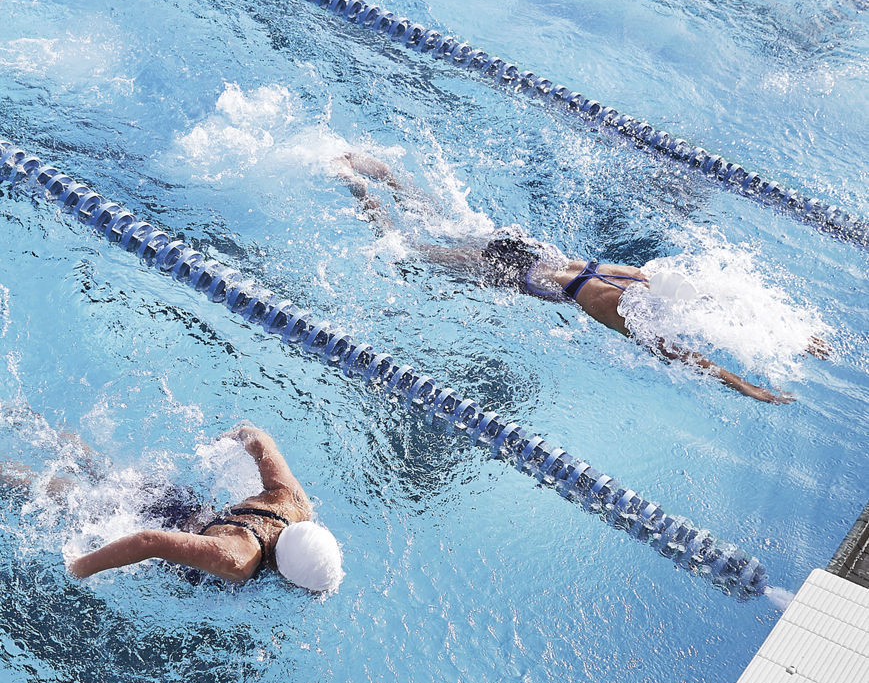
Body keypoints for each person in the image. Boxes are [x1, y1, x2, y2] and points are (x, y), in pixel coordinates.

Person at [334, 150, 831, 404]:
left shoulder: (641, 280)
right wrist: (745, 386)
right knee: (415, 249)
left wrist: (790, 337)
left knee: (439, 215)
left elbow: (718, 305)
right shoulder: (618, 311)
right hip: (516, 271)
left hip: (529, 248)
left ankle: (374, 167)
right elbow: (687, 357)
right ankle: (358, 187)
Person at [56, 424, 343, 590]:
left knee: (101, 468)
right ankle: (11, 474)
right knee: (66, 496)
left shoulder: (293, 502)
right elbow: (149, 541)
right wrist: (79, 568)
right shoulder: (239, 560)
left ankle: (39, 426)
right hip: (155, 524)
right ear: (285, 574)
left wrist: (224, 441)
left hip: (180, 502)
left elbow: (255, 437)